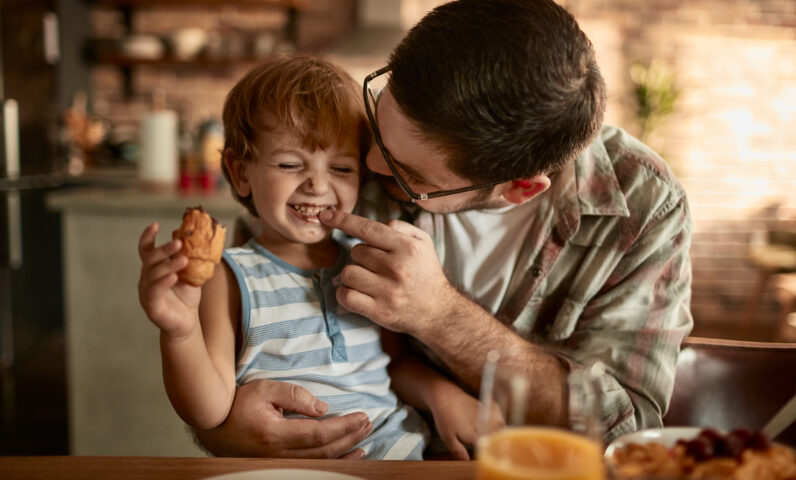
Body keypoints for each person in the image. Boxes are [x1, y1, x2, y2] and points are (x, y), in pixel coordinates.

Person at [194, 0, 693, 458]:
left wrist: (441, 317)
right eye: (380, 114)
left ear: (520, 188)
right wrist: (225, 427)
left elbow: (624, 429)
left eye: (408, 174)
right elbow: (253, 331)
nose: (367, 162)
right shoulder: (344, 143)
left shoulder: (642, 207)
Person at [137, 53, 482, 460]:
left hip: (401, 458)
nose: (318, 185)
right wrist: (179, 332)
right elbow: (209, 410)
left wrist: (443, 397)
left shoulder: (366, 264)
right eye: (289, 164)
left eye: (340, 168)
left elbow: (393, 365)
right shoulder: (226, 278)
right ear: (240, 172)